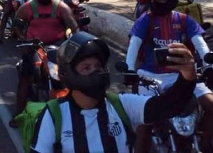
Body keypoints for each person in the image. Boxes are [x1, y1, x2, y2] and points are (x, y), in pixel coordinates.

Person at [31, 32, 198, 153]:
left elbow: (168, 106)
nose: (96, 72)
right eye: (86, 67)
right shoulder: (54, 115)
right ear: (67, 75)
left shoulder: (121, 105)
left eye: (99, 66)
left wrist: (188, 75)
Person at [126, 0, 213, 152]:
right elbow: (134, 45)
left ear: (171, 0)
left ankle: (206, 143)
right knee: (144, 123)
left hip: (185, 75)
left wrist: (208, 63)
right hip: (150, 77)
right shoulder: (145, 20)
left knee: (211, 105)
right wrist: (129, 70)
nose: (154, 3)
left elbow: (200, 43)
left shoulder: (183, 20)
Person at [10, 0, 78, 127]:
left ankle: (77, 106)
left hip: (58, 46)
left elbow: (73, 25)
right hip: (34, 46)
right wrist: (23, 39)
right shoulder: (28, 6)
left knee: (71, 75)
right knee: (26, 78)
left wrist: (76, 39)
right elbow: (16, 24)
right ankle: (19, 113)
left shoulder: (60, 6)